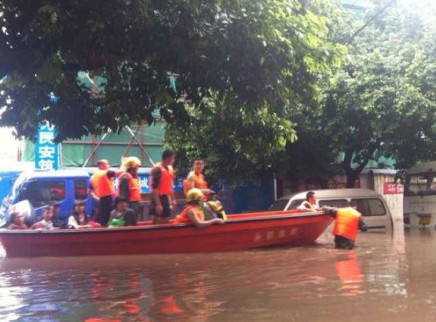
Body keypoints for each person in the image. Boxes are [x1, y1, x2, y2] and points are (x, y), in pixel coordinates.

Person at [150, 150, 176, 224]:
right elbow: (154, 188)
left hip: (165, 197)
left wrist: (173, 199)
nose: (173, 160)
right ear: (168, 159)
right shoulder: (157, 169)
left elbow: (169, 186)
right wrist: (158, 204)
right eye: (173, 158)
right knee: (157, 218)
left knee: (166, 218)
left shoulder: (170, 169)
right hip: (157, 197)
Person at [90, 159, 117, 226]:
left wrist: (97, 199)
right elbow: (119, 172)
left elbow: (90, 191)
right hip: (107, 199)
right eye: (107, 164)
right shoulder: (105, 173)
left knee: (102, 219)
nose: (109, 165)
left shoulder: (93, 177)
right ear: (102, 165)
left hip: (100, 200)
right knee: (108, 218)